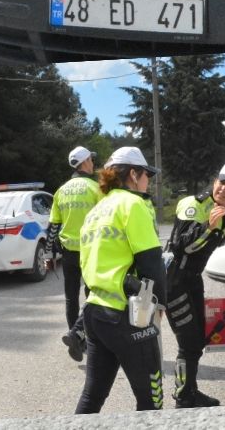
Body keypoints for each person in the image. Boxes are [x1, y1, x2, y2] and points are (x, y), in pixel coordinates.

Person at [74, 147, 169, 413]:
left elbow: (88, 263)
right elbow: (151, 261)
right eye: (146, 174)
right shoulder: (134, 204)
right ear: (133, 174)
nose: (148, 180)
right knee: (152, 400)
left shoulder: (97, 210)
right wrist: (159, 307)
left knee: (92, 396)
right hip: (127, 315)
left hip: (95, 312)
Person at [163, 160, 225, 408]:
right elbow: (183, 246)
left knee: (198, 341)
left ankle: (189, 390)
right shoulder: (193, 204)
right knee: (188, 341)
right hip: (174, 280)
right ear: (214, 182)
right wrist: (208, 227)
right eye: (223, 183)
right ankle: (182, 396)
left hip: (193, 279)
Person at [48, 146, 104, 363]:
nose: (93, 163)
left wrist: (49, 252)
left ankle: (75, 337)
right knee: (93, 297)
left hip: (69, 252)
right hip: (92, 251)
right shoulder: (96, 188)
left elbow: (54, 225)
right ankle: (87, 337)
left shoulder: (61, 190)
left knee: (71, 298)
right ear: (85, 162)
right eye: (91, 159)